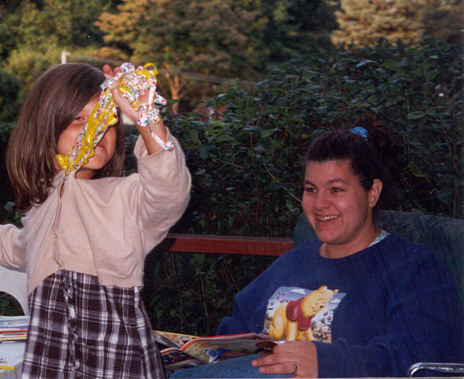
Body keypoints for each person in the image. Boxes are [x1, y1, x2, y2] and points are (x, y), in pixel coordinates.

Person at [0, 62, 191, 379]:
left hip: (116, 366)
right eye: (78, 118)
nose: (97, 129)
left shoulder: (126, 199)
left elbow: (169, 189)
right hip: (49, 364)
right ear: (45, 130)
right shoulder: (47, 201)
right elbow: (17, 246)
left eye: (107, 119)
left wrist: (146, 116)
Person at [172, 122, 464, 378]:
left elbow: (422, 356)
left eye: (336, 189)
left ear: (372, 193)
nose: (319, 203)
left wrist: (328, 362)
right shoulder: (292, 264)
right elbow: (234, 331)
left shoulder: (411, 267)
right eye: (311, 189)